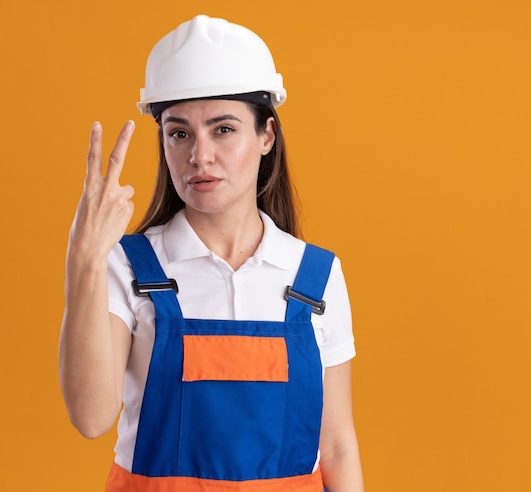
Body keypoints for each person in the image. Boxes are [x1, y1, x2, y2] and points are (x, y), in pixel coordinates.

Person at [59, 14, 365, 492]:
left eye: (223, 130)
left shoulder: (315, 276)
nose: (200, 156)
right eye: (179, 133)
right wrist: (84, 260)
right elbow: (91, 417)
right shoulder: (129, 266)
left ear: (266, 136)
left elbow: (339, 444)